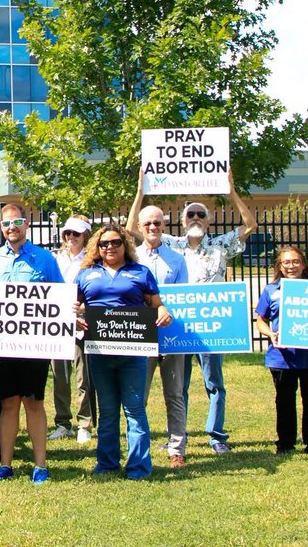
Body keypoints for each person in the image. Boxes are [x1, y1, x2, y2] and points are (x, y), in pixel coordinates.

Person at [152, 167, 258, 454]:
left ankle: (217, 436)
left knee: (214, 383)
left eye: (201, 214)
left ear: (209, 221)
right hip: (180, 325)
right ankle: (178, 435)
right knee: (178, 386)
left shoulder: (221, 244)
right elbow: (135, 229)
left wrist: (231, 192)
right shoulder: (171, 245)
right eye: (191, 215)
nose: (196, 218)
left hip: (211, 327)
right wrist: (142, 190)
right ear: (182, 221)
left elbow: (250, 225)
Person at [75, 224, 172, 480]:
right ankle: (106, 463)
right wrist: (74, 318)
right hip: (98, 352)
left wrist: (163, 312)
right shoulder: (85, 275)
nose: (109, 247)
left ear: (125, 244)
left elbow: (156, 303)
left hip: (133, 352)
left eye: (115, 242)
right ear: (96, 247)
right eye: (104, 243)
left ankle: (138, 466)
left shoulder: (141, 272)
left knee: (135, 410)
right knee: (107, 410)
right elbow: (73, 308)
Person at [0, 203, 61, 484]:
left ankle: (40, 466)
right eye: (6, 224)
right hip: (0, 345)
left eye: (17, 222)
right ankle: (5, 464)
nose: (11, 227)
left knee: (34, 402)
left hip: (34, 345)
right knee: (8, 403)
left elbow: (59, 296)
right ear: (1, 227)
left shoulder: (44, 259)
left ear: (27, 224)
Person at [124, 200, 189, 468]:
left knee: (174, 394)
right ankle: (139, 448)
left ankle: (177, 449)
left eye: (157, 222)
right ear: (139, 227)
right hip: (140, 337)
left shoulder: (177, 259)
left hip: (171, 336)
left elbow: (186, 299)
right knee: (139, 395)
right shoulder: (132, 259)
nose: (153, 226)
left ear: (164, 226)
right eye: (148, 222)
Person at [254, 247, 308, 454]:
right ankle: (285, 443)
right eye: (286, 262)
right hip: (281, 357)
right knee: (284, 401)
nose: (291, 266)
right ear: (280, 266)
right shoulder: (271, 290)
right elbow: (261, 320)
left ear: (303, 264)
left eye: (295, 262)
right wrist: (270, 334)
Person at [50, 216, 97, 446]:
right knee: (60, 376)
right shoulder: (55, 259)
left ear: (86, 235)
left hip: (81, 324)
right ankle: (62, 423)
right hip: (57, 325)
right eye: (67, 233)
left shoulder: (92, 261)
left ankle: (84, 423)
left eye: (76, 234)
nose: (71, 237)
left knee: (82, 377)